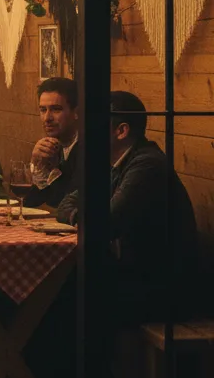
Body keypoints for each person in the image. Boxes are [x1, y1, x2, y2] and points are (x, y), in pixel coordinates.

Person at [56, 90, 198, 324]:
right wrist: (80, 216)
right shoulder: (114, 162)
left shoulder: (146, 165)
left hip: (160, 290)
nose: (83, 133)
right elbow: (66, 204)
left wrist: (85, 217)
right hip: (130, 275)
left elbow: (106, 224)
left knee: (64, 293)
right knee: (53, 287)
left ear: (121, 131)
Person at [25, 77, 79, 209]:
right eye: (43, 110)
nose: (47, 118)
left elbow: (60, 204)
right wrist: (38, 164)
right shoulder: (54, 145)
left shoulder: (84, 149)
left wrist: (52, 170)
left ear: (76, 112)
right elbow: (29, 203)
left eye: (56, 109)